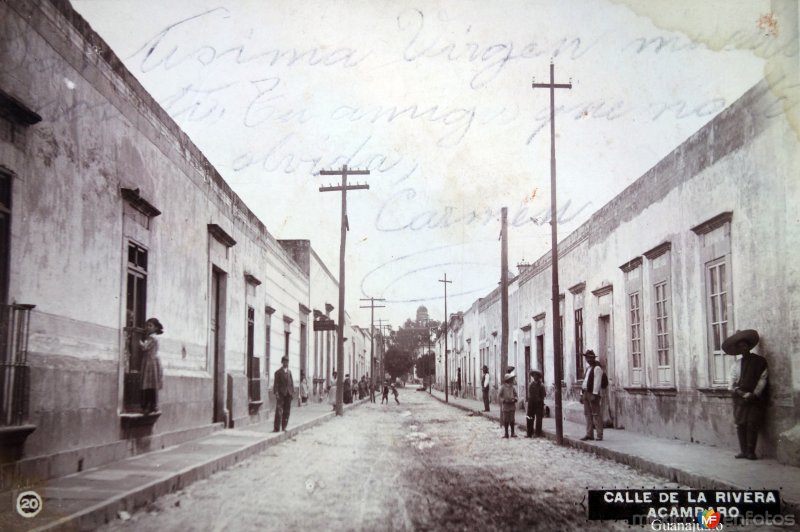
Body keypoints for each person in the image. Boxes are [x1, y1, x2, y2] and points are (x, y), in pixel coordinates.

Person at [723, 330, 768, 460]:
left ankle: (750, 451)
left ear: (749, 347)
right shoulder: (736, 365)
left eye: (745, 345)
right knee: (740, 424)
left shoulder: (760, 361)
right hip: (739, 399)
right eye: (740, 346)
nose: (743, 348)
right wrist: (738, 391)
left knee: (752, 423)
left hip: (754, 399)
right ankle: (743, 451)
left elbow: (763, 379)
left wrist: (754, 394)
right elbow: (731, 382)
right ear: (738, 350)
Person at [139, 318, 164, 414]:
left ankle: (149, 406)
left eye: (150, 326)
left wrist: (140, 341)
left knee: (149, 384)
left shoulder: (152, 338)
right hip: (151, 361)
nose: (148, 327)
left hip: (151, 362)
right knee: (151, 384)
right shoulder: (153, 337)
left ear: (155, 328)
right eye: (147, 325)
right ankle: (152, 405)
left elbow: (145, 347)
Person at [580, 350, 604, 441]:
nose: (588, 359)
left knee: (596, 414)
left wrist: (594, 394)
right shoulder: (588, 369)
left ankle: (599, 434)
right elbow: (584, 382)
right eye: (587, 358)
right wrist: (581, 394)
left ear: (593, 358)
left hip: (592, 393)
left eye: (590, 358)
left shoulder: (597, 368)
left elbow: (597, 383)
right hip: (586, 392)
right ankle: (589, 434)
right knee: (587, 414)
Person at [273, 355, 294, 432]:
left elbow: (291, 383)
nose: (286, 363)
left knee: (287, 411)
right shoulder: (278, 372)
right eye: (285, 361)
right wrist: (276, 393)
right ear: (282, 362)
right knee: (279, 410)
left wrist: (292, 393)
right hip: (281, 394)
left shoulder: (289, 372)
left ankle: (284, 426)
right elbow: (276, 384)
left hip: (288, 394)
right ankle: (276, 428)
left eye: (287, 361)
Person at [498, 367, 518, 438]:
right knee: (506, 420)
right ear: (507, 380)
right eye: (511, 379)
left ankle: (513, 433)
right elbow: (499, 396)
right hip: (506, 406)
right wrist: (503, 400)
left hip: (512, 405)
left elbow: (515, 395)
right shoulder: (503, 387)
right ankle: (506, 433)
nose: (512, 380)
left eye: (512, 379)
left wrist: (515, 399)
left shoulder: (513, 387)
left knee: (512, 419)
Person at [526, 370, 546, 438]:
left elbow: (544, 395)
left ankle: (537, 433)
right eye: (534, 375)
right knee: (529, 417)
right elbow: (529, 394)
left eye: (536, 375)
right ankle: (529, 433)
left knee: (539, 419)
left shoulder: (541, 385)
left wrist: (540, 400)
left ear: (539, 377)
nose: (535, 377)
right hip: (531, 403)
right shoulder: (531, 385)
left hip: (539, 404)